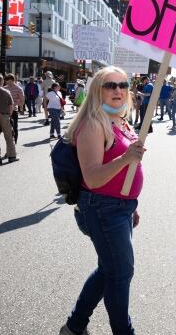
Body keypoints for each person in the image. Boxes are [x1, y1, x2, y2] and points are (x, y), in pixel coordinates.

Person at [60, 66, 144, 335]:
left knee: (108, 270)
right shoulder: (93, 125)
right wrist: (126, 158)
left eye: (123, 84)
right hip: (102, 207)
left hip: (120, 208)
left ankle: (74, 326)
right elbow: (93, 178)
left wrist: (132, 204)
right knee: (120, 274)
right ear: (97, 90)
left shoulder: (121, 120)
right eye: (110, 85)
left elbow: (126, 172)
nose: (118, 90)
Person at [3, 74, 25, 144]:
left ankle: (14, 142)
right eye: (6, 81)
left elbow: (22, 102)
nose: (7, 83)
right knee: (3, 129)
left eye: (8, 81)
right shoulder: (4, 88)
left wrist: (14, 104)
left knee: (14, 127)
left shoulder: (19, 89)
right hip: (4, 111)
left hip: (13, 111)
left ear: (13, 80)